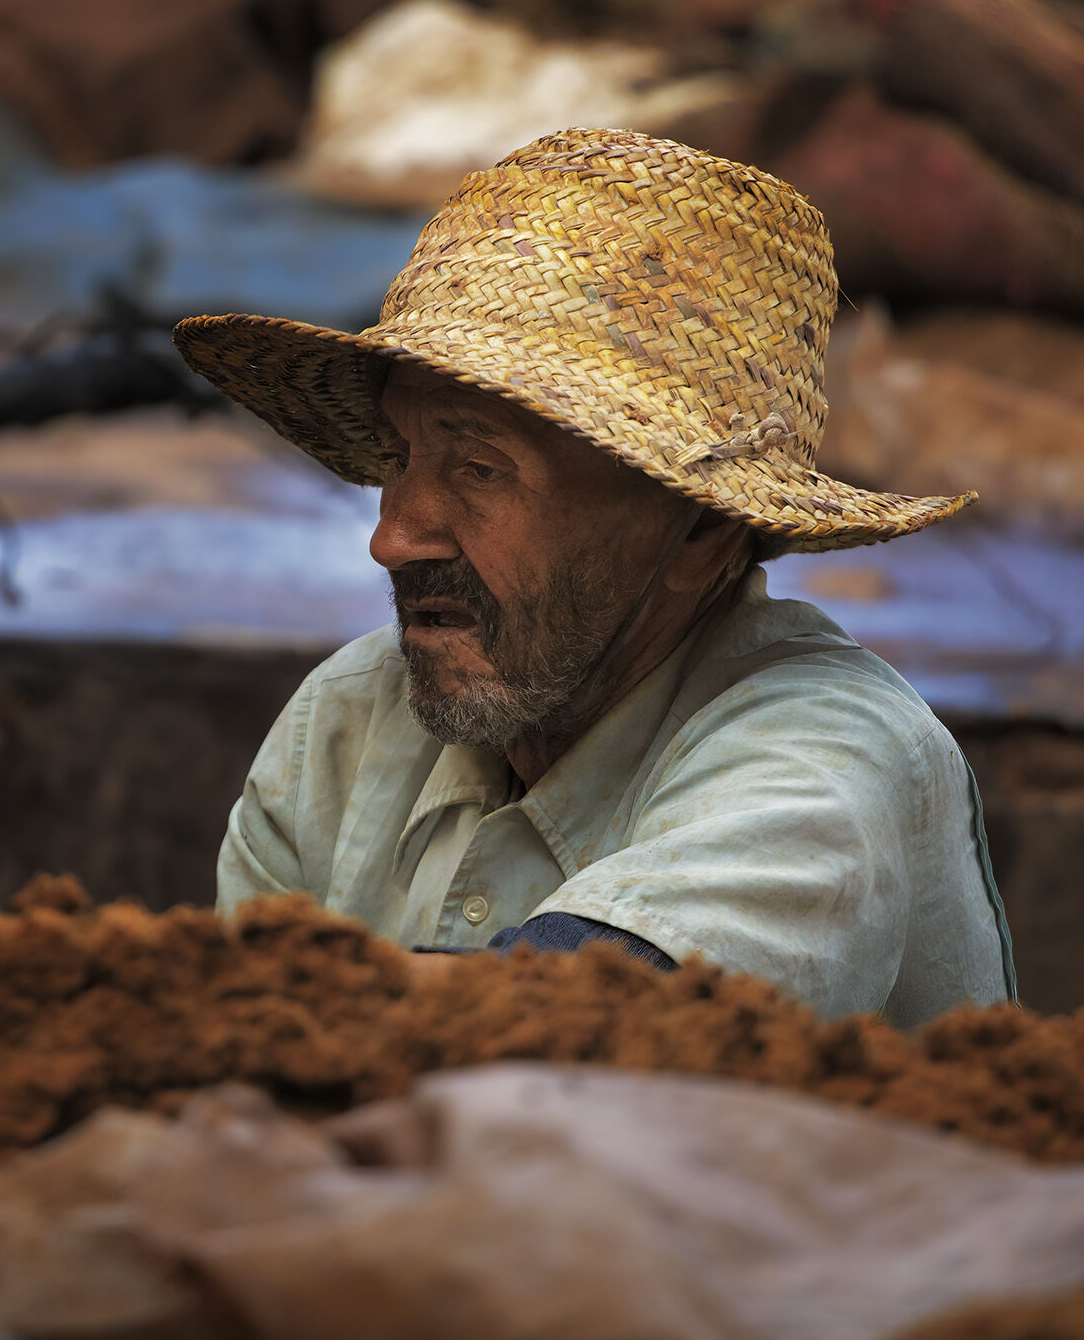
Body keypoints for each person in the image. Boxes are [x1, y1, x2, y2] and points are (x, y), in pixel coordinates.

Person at [176, 129, 1013, 1028]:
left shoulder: (827, 759)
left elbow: (565, 1028)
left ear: (698, 529)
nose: (393, 537)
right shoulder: (341, 724)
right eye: (400, 456)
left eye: (479, 469)